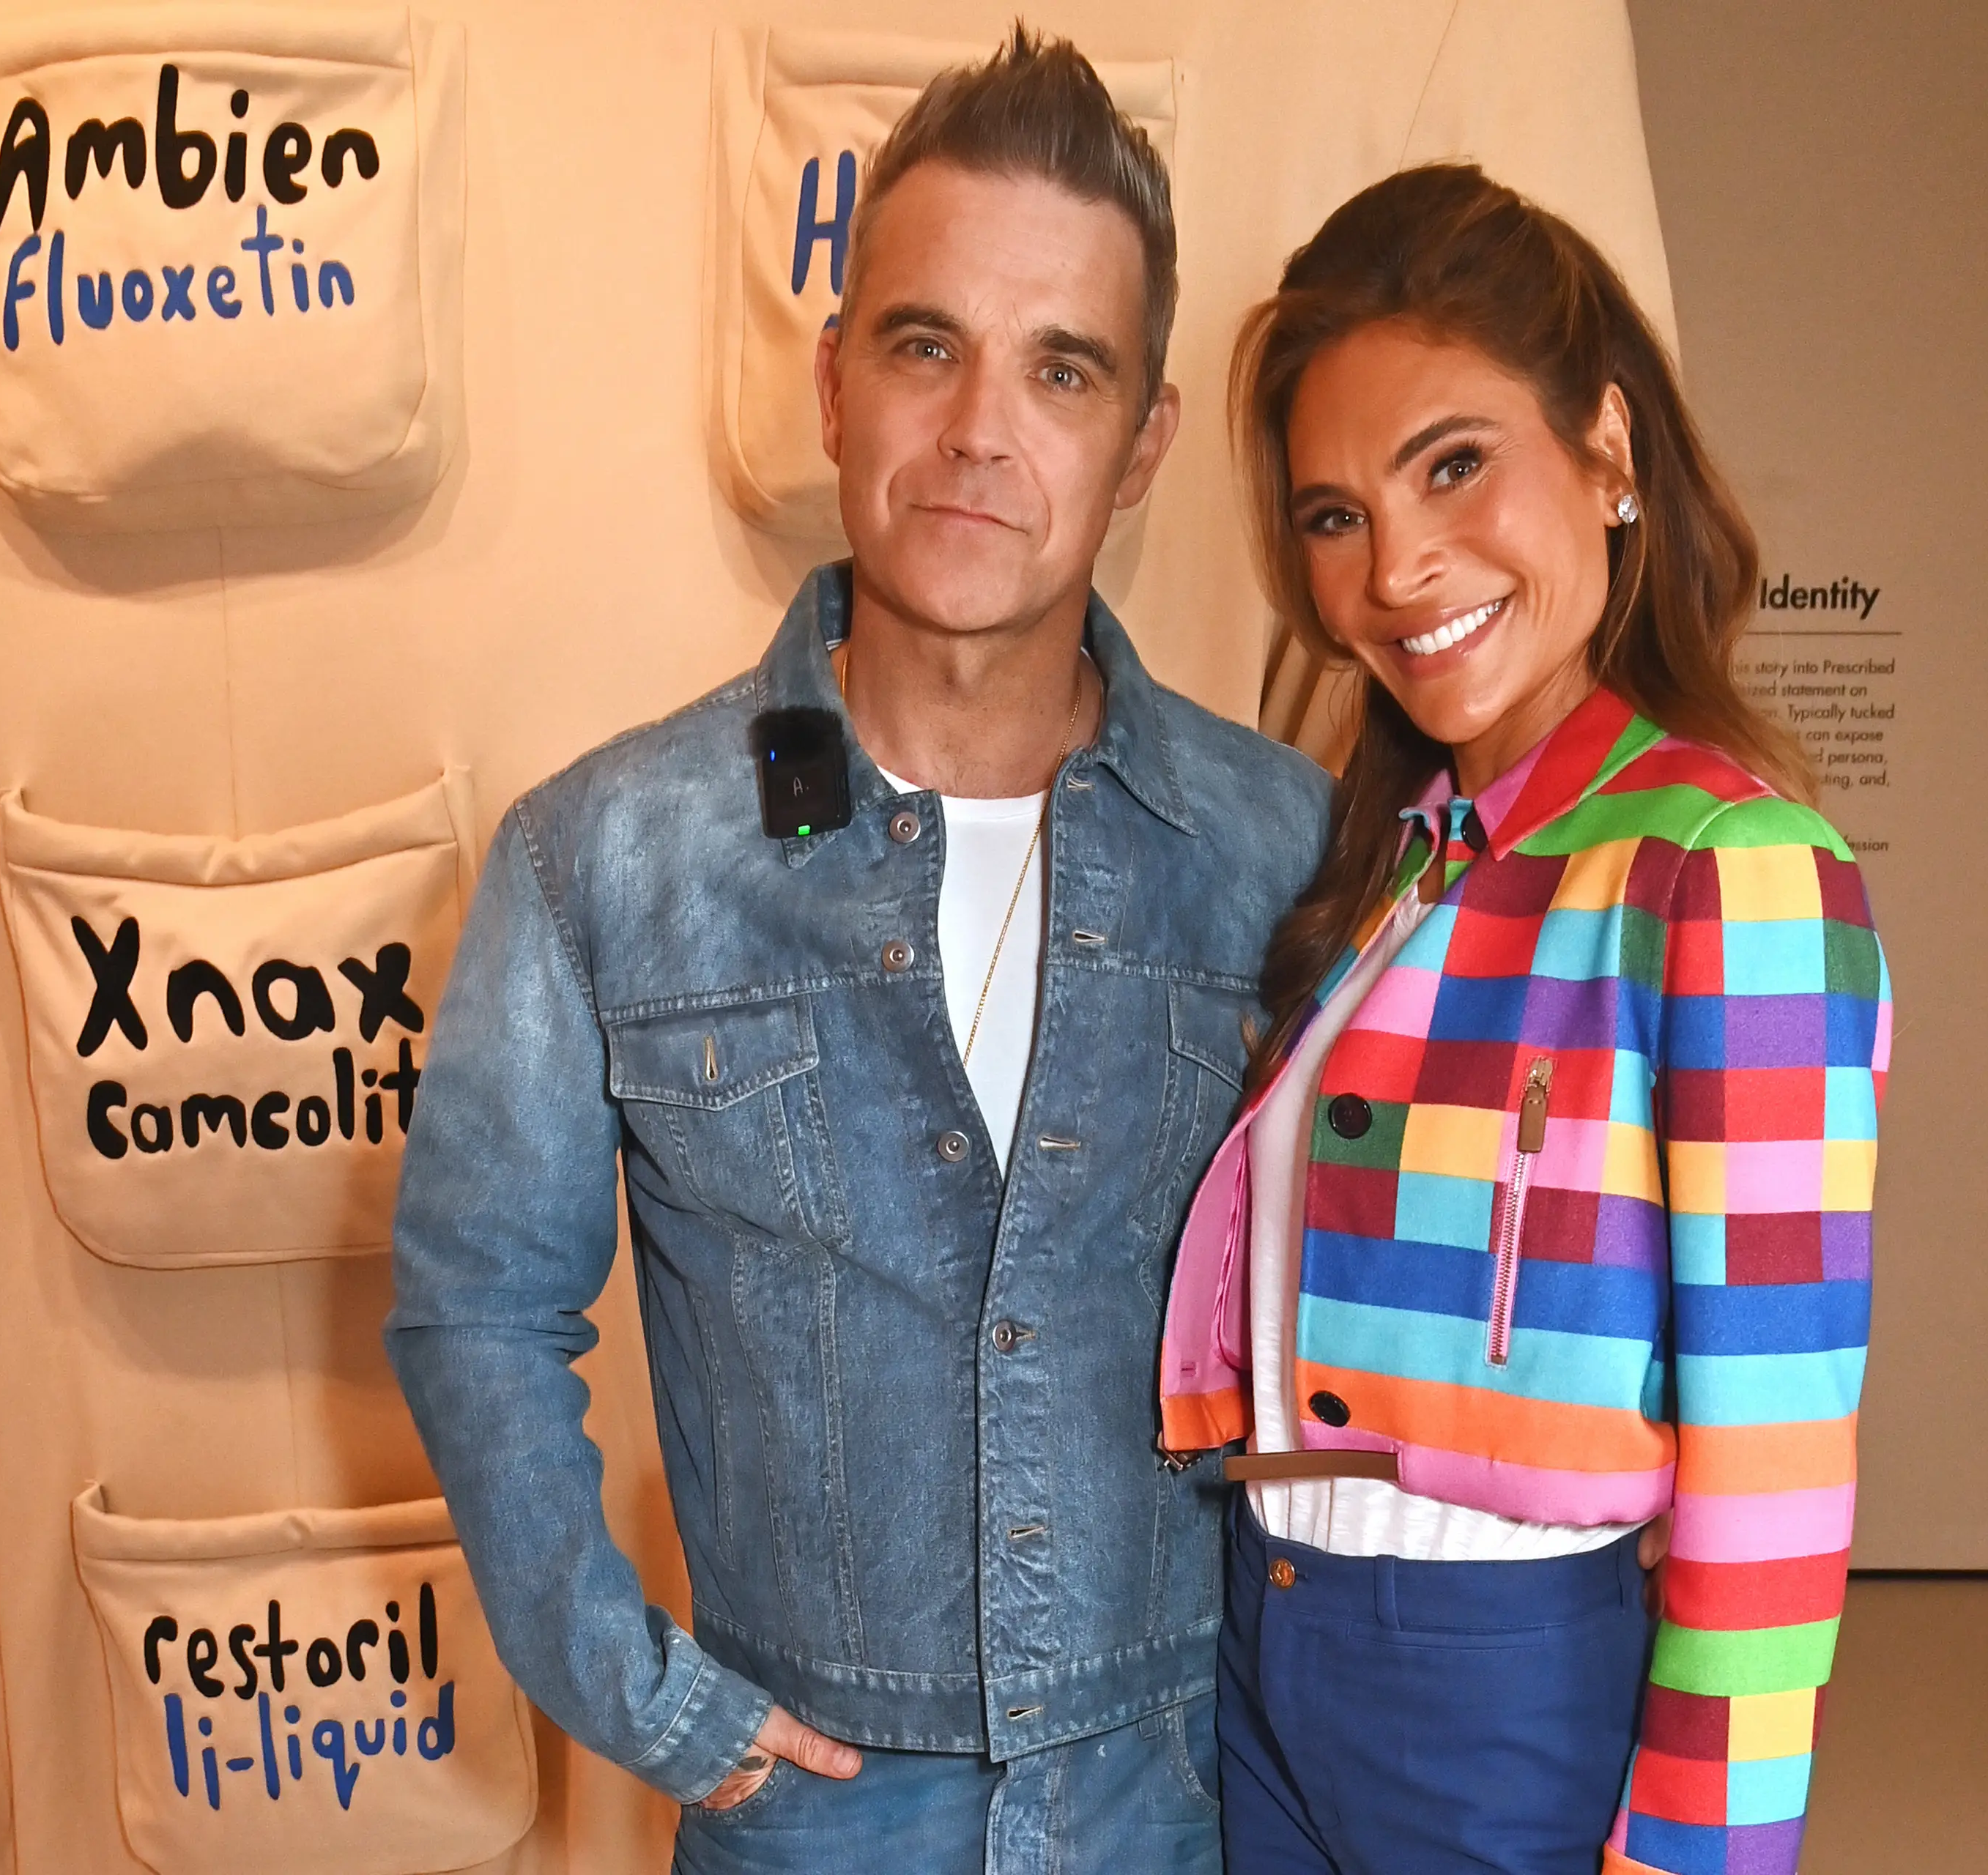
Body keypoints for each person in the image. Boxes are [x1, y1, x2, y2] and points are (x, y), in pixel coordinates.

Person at [387, 29, 1329, 1875]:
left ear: (1139, 448)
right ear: (834, 385)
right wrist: (655, 1702)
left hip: (1189, 1802)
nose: (982, 429)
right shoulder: (610, 856)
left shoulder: (1279, 846)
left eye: (1062, 369)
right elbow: (478, 1308)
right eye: (927, 345)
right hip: (806, 1816)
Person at [1159, 164, 1888, 1875]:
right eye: (1334, 514)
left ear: (1612, 450)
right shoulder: (1384, 854)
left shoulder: (1729, 867)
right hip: (1262, 1630)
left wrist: (1706, 1849)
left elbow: (1779, 1462)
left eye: (1456, 463)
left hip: (1500, 1681)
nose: (1397, 568)